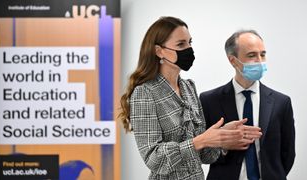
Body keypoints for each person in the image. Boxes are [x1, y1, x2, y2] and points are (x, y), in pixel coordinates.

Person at [118, 17, 261, 180]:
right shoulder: (145, 93)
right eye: (181, 44)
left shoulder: (189, 87)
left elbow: (205, 157)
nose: (189, 49)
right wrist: (199, 141)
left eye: (189, 42)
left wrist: (220, 138)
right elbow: (154, 159)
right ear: (159, 51)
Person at [199, 30, 296, 180]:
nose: (259, 60)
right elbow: (203, 154)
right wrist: (224, 147)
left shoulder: (281, 102)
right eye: (252, 55)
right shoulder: (209, 100)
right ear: (233, 60)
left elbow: (287, 153)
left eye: (262, 54)